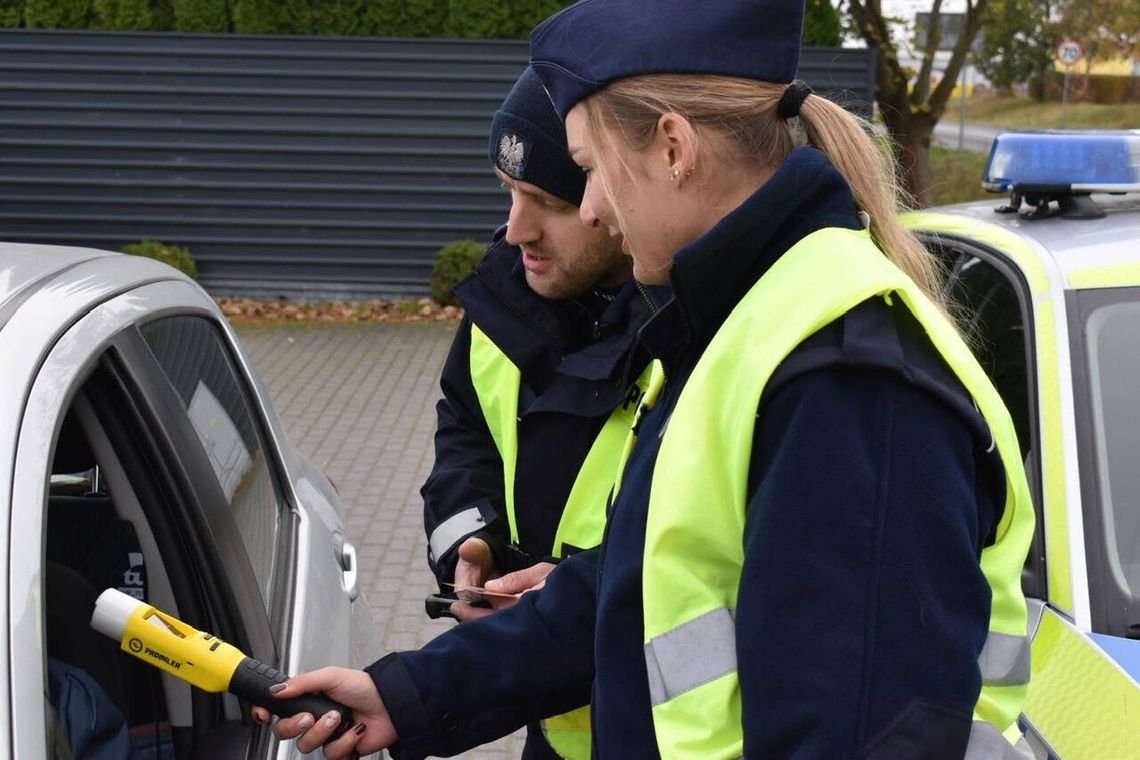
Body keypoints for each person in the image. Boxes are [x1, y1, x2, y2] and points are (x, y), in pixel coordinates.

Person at [256, 2, 1036, 758]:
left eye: (589, 170)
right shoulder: (744, 322)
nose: (591, 209)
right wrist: (412, 695)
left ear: (673, 147)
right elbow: (638, 590)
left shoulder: (845, 380)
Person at [419, 64, 654, 759]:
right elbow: (466, 424)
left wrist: (580, 595)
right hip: (551, 719)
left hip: (650, 726)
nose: (517, 229)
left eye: (546, 199)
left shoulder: (692, 326)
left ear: (612, 193)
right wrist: (472, 538)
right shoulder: (508, 290)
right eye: (507, 191)